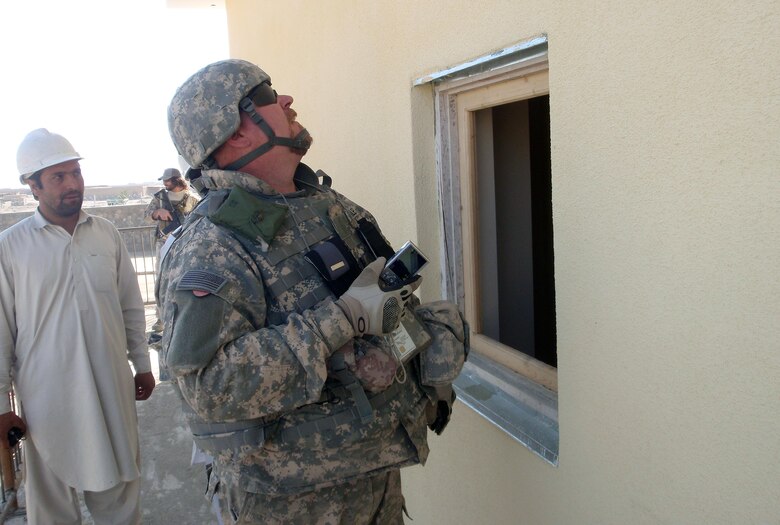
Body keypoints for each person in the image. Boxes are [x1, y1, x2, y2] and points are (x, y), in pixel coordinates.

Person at [159, 59, 467, 524]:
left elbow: (390, 299)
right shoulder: (212, 245)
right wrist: (339, 321)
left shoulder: (328, 205)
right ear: (236, 133)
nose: (285, 101)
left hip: (373, 473)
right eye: (265, 97)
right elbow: (211, 384)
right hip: (292, 502)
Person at [0, 128, 156, 524]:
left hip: (112, 387)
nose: (72, 185)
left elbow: (129, 306)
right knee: (51, 504)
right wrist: (1, 407)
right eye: (58, 177)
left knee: (120, 493)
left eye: (76, 173)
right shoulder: (10, 247)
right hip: (46, 398)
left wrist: (142, 364)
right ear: (31, 186)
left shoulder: (106, 234)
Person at [144, 167, 199, 344]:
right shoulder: (160, 198)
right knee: (161, 280)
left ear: (176, 180)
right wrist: (156, 213)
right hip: (163, 243)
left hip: (184, 244)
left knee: (185, 279)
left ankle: (182, 315)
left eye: (167, 181)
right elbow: (146, 216)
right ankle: (161, 318)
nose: (164, 184)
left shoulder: (192, 199)